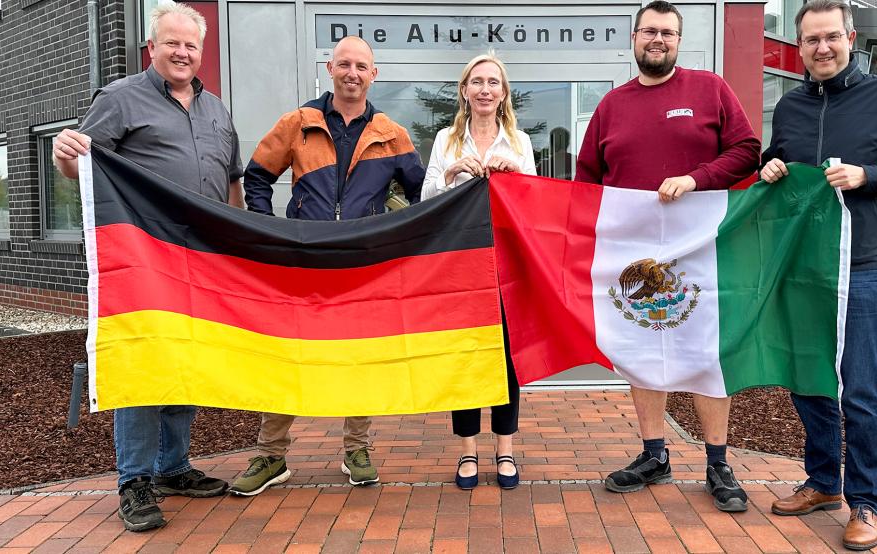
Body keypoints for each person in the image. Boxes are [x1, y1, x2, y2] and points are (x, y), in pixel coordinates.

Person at [52, 2, 241, 532]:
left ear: (201, 53)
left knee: (184, 363)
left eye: (191, 45)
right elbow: (80, 165)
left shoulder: (217, 110)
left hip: (201, 261)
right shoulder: (119, 99)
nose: (182, 53)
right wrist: (62, 154)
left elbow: (230, 182)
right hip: (143, 262)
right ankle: (133, 480)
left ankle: (173, 467)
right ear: (151, 47)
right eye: (172, 43)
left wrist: (240, 241)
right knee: (143, 367)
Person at [760, 0, 877, 549]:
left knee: (859, 390)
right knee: (810, 380)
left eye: (830, 37)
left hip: (862, 270)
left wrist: (868, 175)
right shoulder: (788, 106)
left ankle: (865, 501)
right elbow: (779, 162)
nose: (821, 48)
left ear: (850, 36)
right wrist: (768, 167)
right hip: (802, 269)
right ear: (800, 46)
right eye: (811, 40)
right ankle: (822, 482)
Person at [575, 0, 760, 512]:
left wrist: (696, 178)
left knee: (706, 354)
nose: (657, 40)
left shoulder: (710, 89)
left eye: (668, 33)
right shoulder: (612, 104)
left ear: (679, 41)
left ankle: (717, 463)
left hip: (700, 248)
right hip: (630, 254)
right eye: (649, 31)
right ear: (634, 39)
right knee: (639, 348)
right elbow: (587, 179)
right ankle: (654, 454)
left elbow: (747, 150)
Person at [229, 36, 425, 495]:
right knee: (288, 356)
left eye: (361, 65)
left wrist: (397, 237)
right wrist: (270, 230)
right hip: (304, 262)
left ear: (373, 74)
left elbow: (422, 196)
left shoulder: (393, 133)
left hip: (363, 266)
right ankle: (270, 455)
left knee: (359, 357)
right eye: (344, 64)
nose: (352, 73)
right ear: (329, 68)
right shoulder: (299, 123)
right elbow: (257, 176)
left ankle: (356, 449)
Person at [421, 53, 535, 489]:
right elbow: (426, 199)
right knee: (465, 355)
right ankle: (468, 452)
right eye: (477, 82)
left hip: (505, 263)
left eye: (494, 82)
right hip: (459, 264)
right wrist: (451, 172)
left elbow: (534, 201)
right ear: (464, 91)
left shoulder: (520, 141)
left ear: (503, 93)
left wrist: (516, 174)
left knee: (506, 356)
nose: (485, 89)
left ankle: (505, 450)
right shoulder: (444, 140)